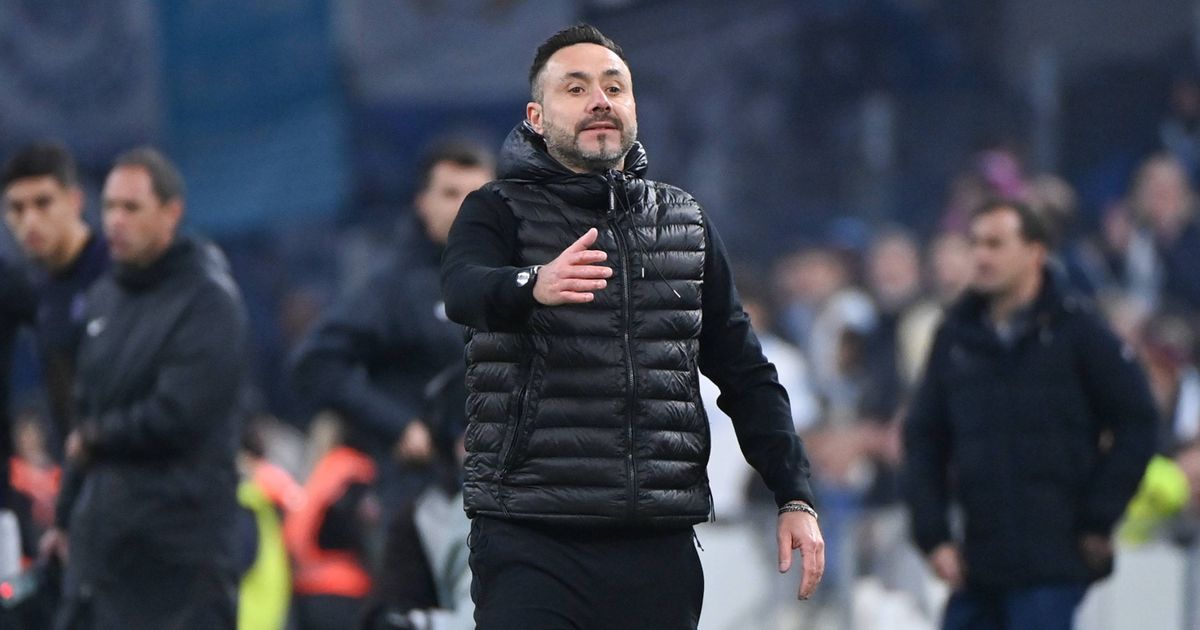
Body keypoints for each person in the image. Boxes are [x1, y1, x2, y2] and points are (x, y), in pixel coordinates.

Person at [440, 24, 824, 629]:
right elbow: (463, 290)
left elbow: (747, 373)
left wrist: (794, 494)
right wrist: (532, 283)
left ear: (634, 109)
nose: (599, 100)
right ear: (536, 118)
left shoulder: (685, 222)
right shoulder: (496, 209)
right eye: (576, 88)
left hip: (657, 542)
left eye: (614, 87)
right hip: (533, 535)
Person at [902, 199, 1158, 630]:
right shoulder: (956, 338)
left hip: (1053, 561)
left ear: (1035, 252)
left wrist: (1098, 515)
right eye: (975, 243)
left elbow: (1138, 422)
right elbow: (924, 438)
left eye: (995, 244)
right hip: (978, 562)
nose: (981, 256)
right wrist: (934, 535)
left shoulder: (1078, 332)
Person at [55, 147, 248, 629]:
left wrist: (99, 438)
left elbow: (181, 414)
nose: (115, 221)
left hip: (180, 560)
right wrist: (63, 518)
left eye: (131, 207)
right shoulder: (103, 298)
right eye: (109, 207)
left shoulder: (207, 301)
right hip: (105, 553)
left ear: (171, 212)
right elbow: (84, 412)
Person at [2, 143, 110, 453]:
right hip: (83, 471)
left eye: (43, 203)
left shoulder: (117, 273)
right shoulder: (39, 290)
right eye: (17, 208)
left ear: (75, 201)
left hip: (142, 467)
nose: (30, 221)